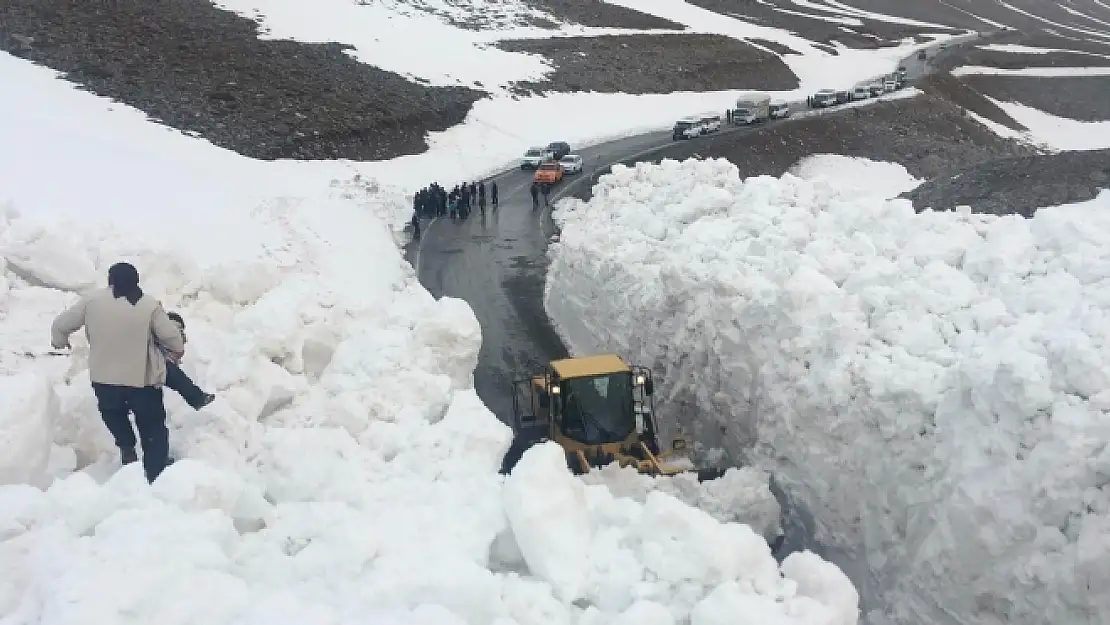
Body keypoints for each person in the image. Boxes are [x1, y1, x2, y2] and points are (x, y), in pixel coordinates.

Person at [51, 262, 183, 483]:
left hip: (103, 379)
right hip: (140, 380)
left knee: (113, 414)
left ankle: (127, 447)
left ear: (110, 281)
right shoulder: (149, 305)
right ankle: (155, 470)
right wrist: (178, 349)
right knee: (151, 424)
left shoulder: (92, 301)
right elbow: (170, 335)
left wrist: (59, 341)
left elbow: (61, 325)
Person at [161, 312, 215, 410]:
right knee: (176, 377)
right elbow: (178, 348)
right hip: (154, 365)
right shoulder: (171, 329)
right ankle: (198, 398)